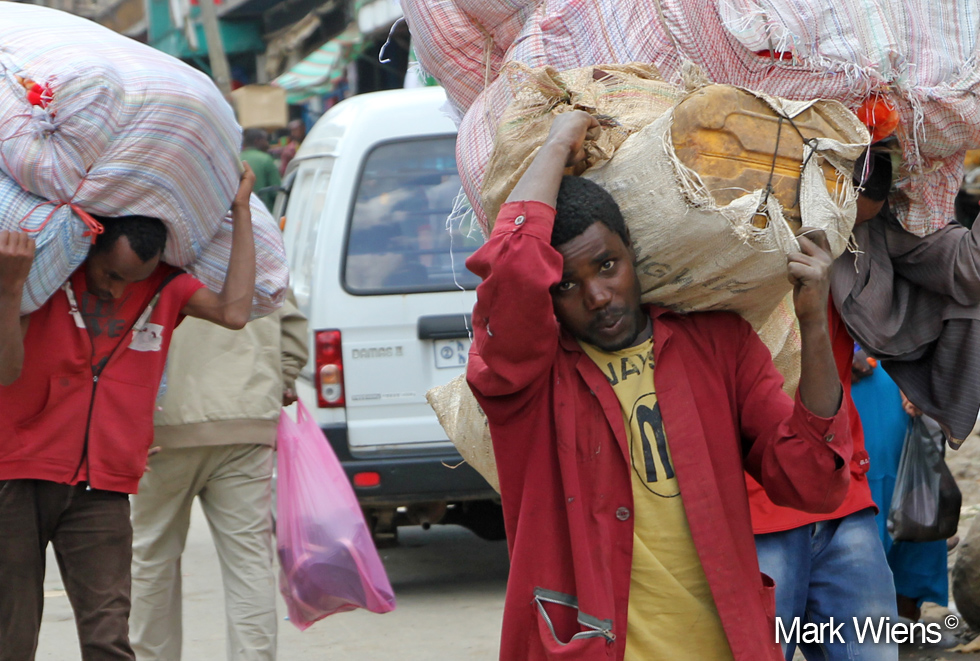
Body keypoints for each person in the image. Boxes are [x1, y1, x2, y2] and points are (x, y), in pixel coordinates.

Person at [465, 110, 851, 661]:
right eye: (568, 283)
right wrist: (554, 146)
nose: (596, 295)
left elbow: (812, 482)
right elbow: (509, 275)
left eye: (607, 265)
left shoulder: (719, 347)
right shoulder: (528, 382)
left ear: (634, 257)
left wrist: (813, 325)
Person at [0, 165, 257, 661]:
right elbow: (6, 373)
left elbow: (235, 313)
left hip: (104, 486)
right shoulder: (44, 277)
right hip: (16, 474)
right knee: (11, 639)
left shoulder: (167, 289)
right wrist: (9, 290)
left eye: (133, 280)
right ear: (90, 248)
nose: (118, 290)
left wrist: (241, 209)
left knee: (109, 640)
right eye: (111, 275)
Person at [747, 151, 899, 661]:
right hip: (756, 509)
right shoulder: (736, 250)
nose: (852, 239)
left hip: (842, 498)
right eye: (848, 225)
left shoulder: (843, 261)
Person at [129, 291, 308, 660]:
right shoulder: (256, 237)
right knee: (249, 561)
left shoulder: (152, 235)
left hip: (161, 424)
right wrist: (281, 377)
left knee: (151, 558)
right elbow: (288, 320)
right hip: (246, 415)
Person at [851, 352, 952, 625]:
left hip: (901, 365)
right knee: (866, 486)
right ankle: (863, 608)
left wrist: (915, 370)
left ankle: (904, 609)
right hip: (843, 370)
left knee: (912, 480)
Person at [241, 128, 282, 212]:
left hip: (240, 214)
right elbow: (277, 192)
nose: (268, 144)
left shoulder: (237, 158)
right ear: (257, 141)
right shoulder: (266, 159)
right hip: (264, 214)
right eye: (266, 140)